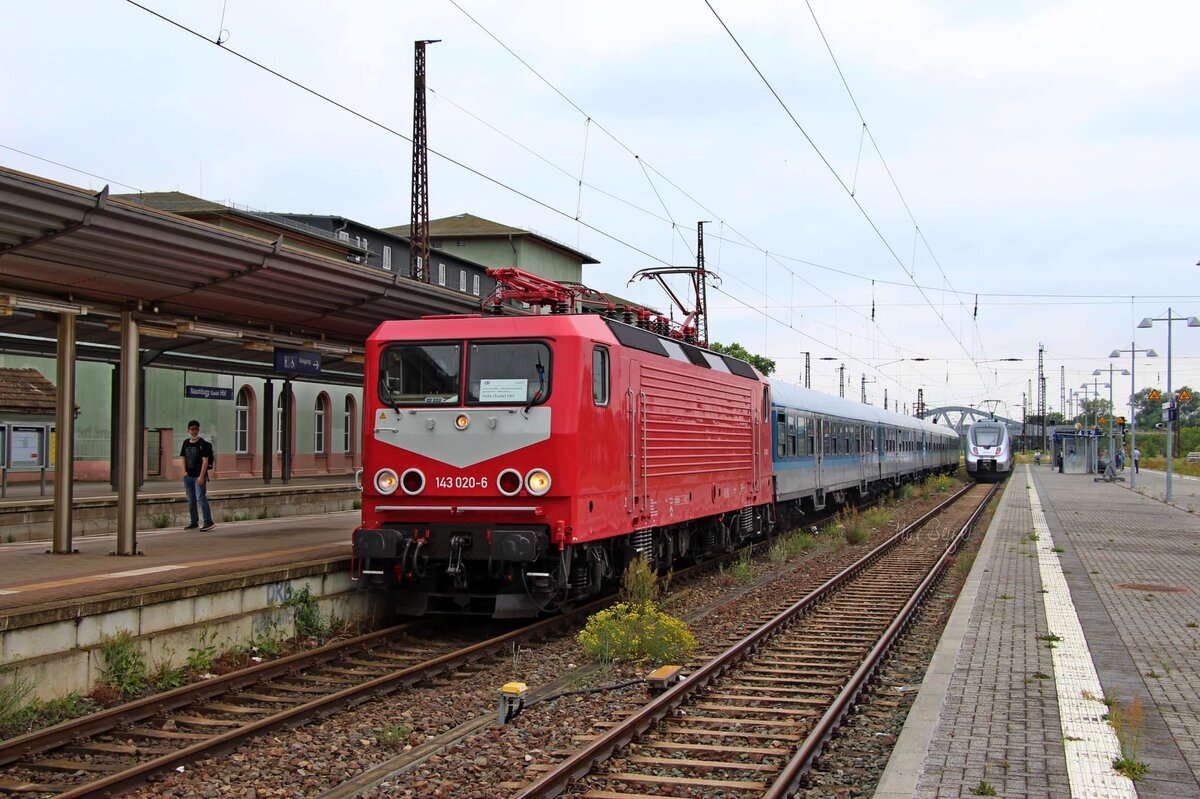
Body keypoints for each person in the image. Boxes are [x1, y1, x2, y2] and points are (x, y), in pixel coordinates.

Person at [180, 420, 215, 531]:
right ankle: (194, 522)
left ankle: (208, 521)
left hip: (198, 476)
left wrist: (201, 476)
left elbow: (205, 461)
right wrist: (184, 473)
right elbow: (183, 458)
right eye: (192, 429)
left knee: (201, 498)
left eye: (196, 429)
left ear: (198, 430)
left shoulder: (203, 444)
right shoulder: (185, 443)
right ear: (188, 430)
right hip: (188, 476)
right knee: (191, 500)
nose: (194, 431)